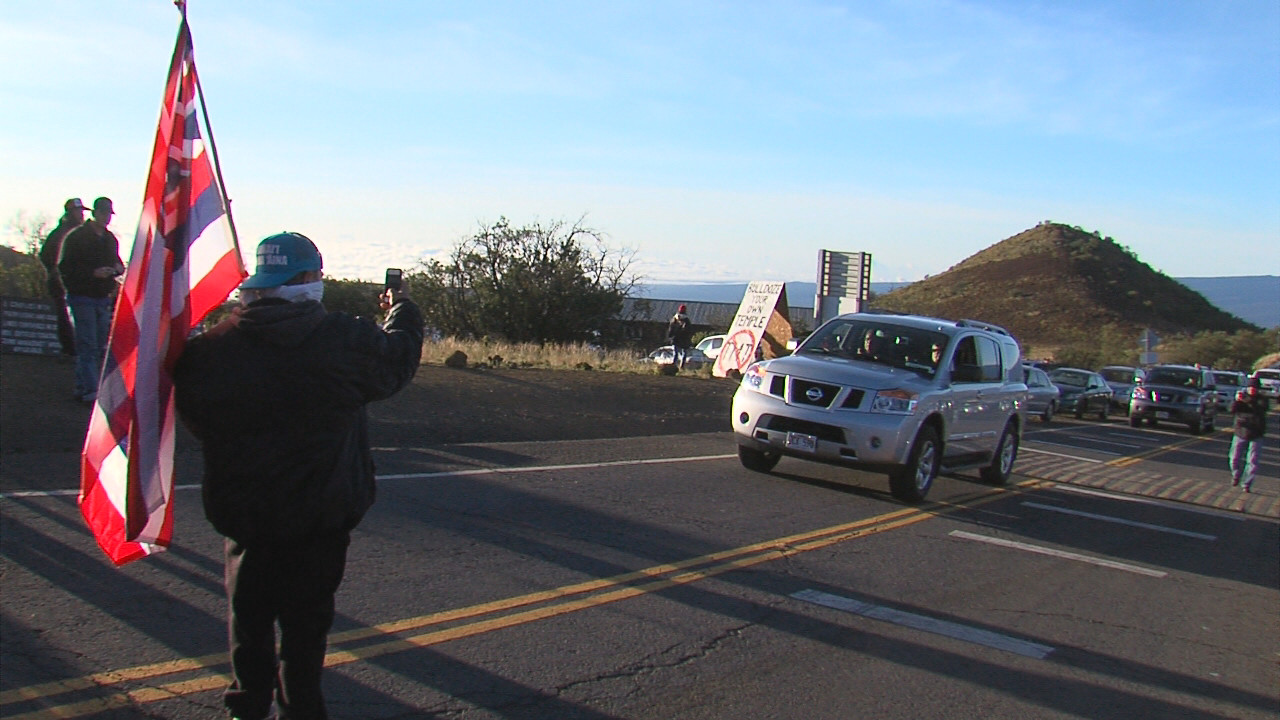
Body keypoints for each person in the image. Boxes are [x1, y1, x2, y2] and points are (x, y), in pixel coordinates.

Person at [173, 232, 423, 720]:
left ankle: (246, 706)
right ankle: (300, 710)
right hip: (319, 515)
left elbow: (195, 417)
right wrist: (403, 308)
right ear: (309, 279)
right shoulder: (345, 340)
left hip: (245, 515)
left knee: (249, 621)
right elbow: (397, 361)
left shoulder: (210, 350)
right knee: (306, 631)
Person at [58, 197, 124, 403]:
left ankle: (83, 386)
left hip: (101, 297)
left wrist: (116, 269)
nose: (106, 218)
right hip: (81, 296)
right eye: (103, 213)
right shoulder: (77, 237)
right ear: (95, 213)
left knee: (96, 345)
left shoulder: (110, 239)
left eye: (108, 214)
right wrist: (92, 273)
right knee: (88, 344)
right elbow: (65, 267)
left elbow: (117, 261)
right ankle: (90, 389)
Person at [39, 198, 87, 356]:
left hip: (78, 282)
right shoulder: (61, 233)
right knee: (65, 315)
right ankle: (69, 349)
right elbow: (45, 255)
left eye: (81, 211)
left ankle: (76, 348)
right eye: (78, 211)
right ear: (70, 212)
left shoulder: (82, 233)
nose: (81, 215)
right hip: (61, 282)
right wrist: (55, 271)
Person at [1229, 376, 1269, 493]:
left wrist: (1246, 400)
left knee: (1252, 461)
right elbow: (1231, 410)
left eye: (1255, 387)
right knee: (1234, 458)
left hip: (1257, 433)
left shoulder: (1262, 400)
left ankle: (1246, 483)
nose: (1252, 389)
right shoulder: (1241, 398)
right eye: (1250, 387)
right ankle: (1236, 475)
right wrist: (1237, 400)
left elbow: (1260, 409)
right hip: (1240, 432)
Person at [667, 303, 693, 369]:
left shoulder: (674, 318)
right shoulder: (687, 320)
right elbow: (689, 330)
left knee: (675, 353)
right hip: (684, 339)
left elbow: (671, 329)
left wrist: (670, 336)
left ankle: (673, 366)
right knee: (684, 354)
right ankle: (682, 367)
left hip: (675, 338)